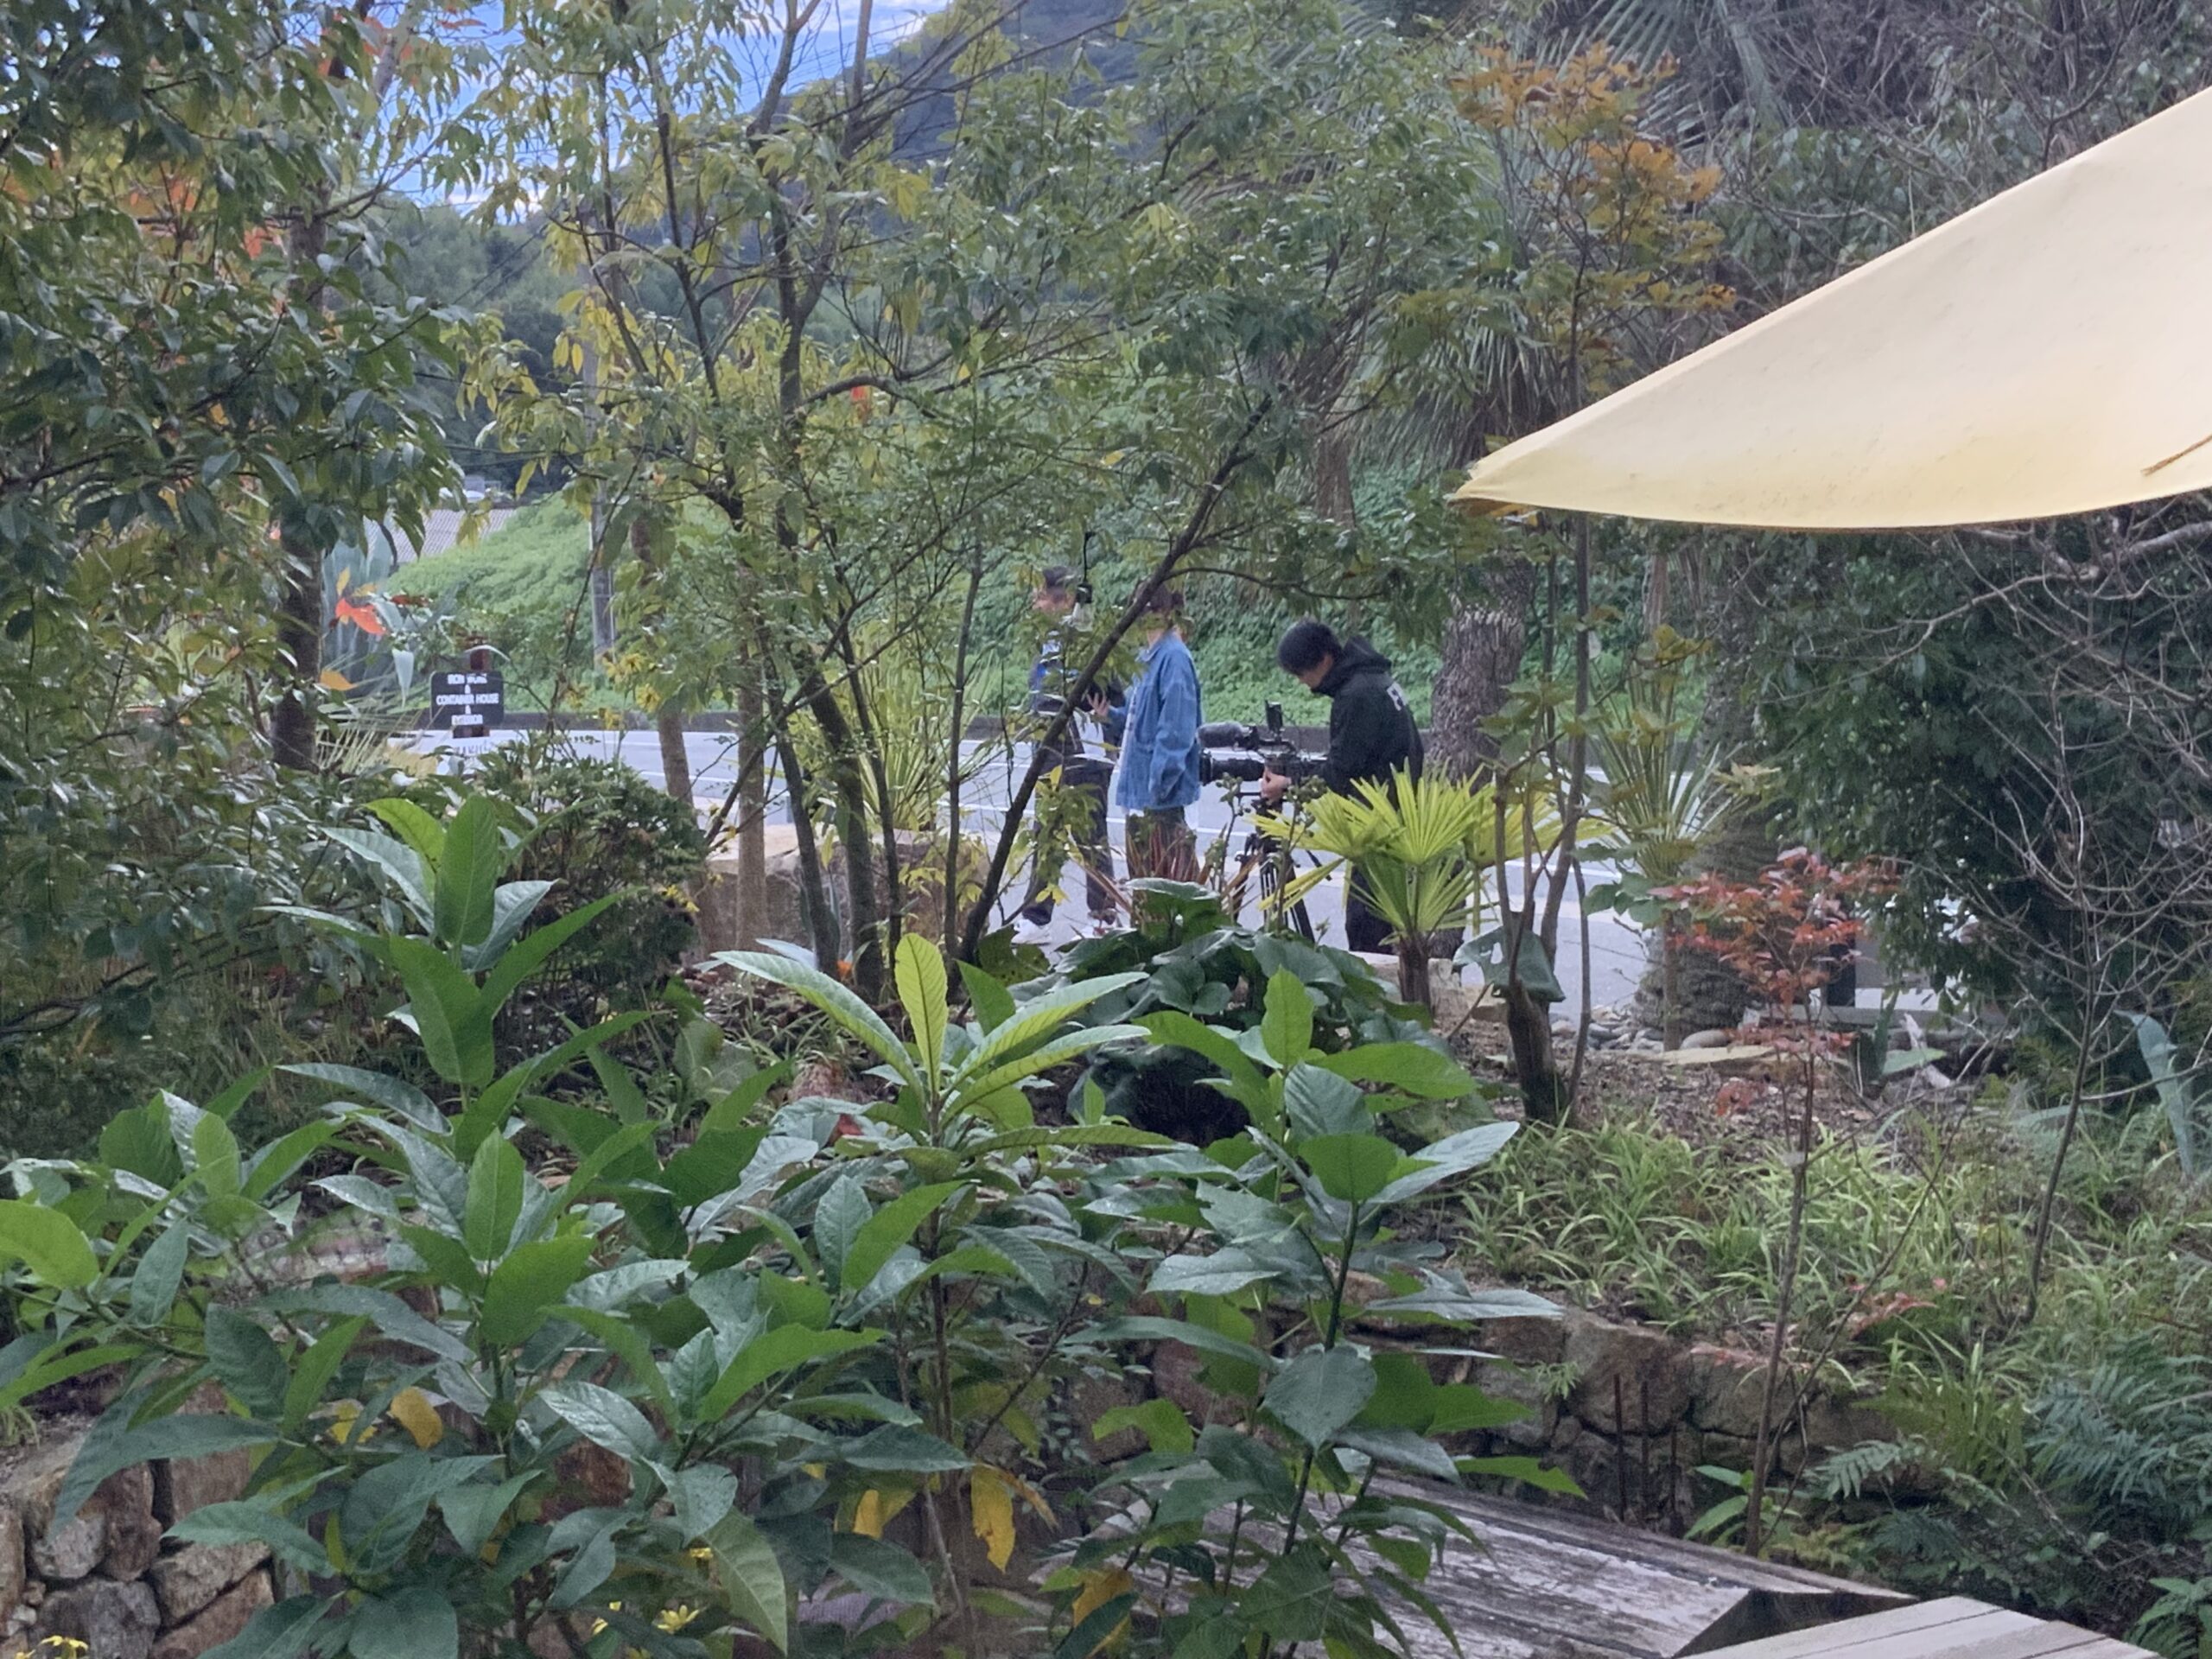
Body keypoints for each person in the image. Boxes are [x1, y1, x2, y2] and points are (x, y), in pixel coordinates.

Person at [1263, 619, 1423, 953]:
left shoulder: (1356, 696)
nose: (1302, 682)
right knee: (1378, 923)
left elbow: (1340, 772)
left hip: (1378, 826)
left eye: (1301, 673)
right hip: (1397, 814)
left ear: (1323, 660)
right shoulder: (1376, 679)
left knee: (1366, 927)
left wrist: (1289, 785)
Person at [1014, 568, 1124, 942]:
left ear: (1065, 600)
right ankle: (1035, 916)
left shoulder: (1089, 643)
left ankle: (1104, 915)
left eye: (1041, 596)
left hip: (1085, 753)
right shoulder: (1047, 644)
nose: (1035, 604)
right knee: (1046, 832)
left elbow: (1111, 698)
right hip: (1048, 754)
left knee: (1090, 833)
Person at [1115, 584, 1204, 884]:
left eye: (1150, 607)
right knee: (1145, 890)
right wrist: (1106, 714)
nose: (1143, 615)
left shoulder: (1174, 658)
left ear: (1167, 612)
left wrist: (1159, 785)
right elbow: (1134, 716)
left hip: (1160, 802)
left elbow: (1176, 730)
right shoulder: (1148, 657)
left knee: (1168, 891)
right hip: (1140, 795)